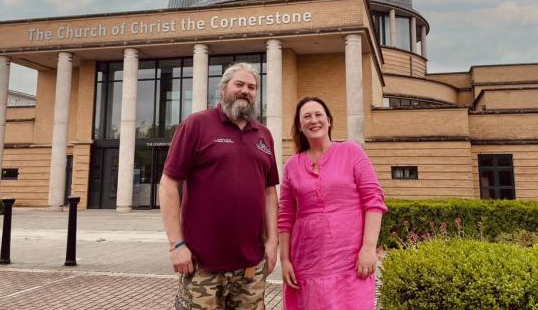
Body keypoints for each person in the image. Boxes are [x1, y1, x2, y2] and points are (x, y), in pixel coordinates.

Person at [160, 62, 280, 310]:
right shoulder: (197, 125)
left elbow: (270, 192)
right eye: (239, 84)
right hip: (202, 265)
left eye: (252, 87)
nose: (245, 91)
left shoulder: (264, 135)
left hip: (251, 267)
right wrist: (176, 244)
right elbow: (169, 183)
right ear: (223, 88)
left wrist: (272, 242)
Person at [278, 96, 387, 309]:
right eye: (306, 117)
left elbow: (374, 200)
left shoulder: (351, 152)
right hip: (306, 264)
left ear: (329, 121)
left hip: (350, 262)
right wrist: (284, 260)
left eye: (318, 115)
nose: (313, 120)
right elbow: (285, 217)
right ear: (300, 126)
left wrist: (368, 248)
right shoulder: (292, 165)